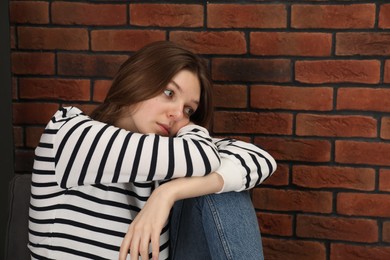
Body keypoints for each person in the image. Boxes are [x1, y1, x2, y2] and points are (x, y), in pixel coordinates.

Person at [28, 41, 277, 260]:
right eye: (169, 93)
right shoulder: (69, 132)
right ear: (139, 78)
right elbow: (201, 155)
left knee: (226, 189)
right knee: (215, 173)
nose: (178, 114)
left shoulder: (170, 156)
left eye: (189, 110)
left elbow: (260, 159)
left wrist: (167, 193)